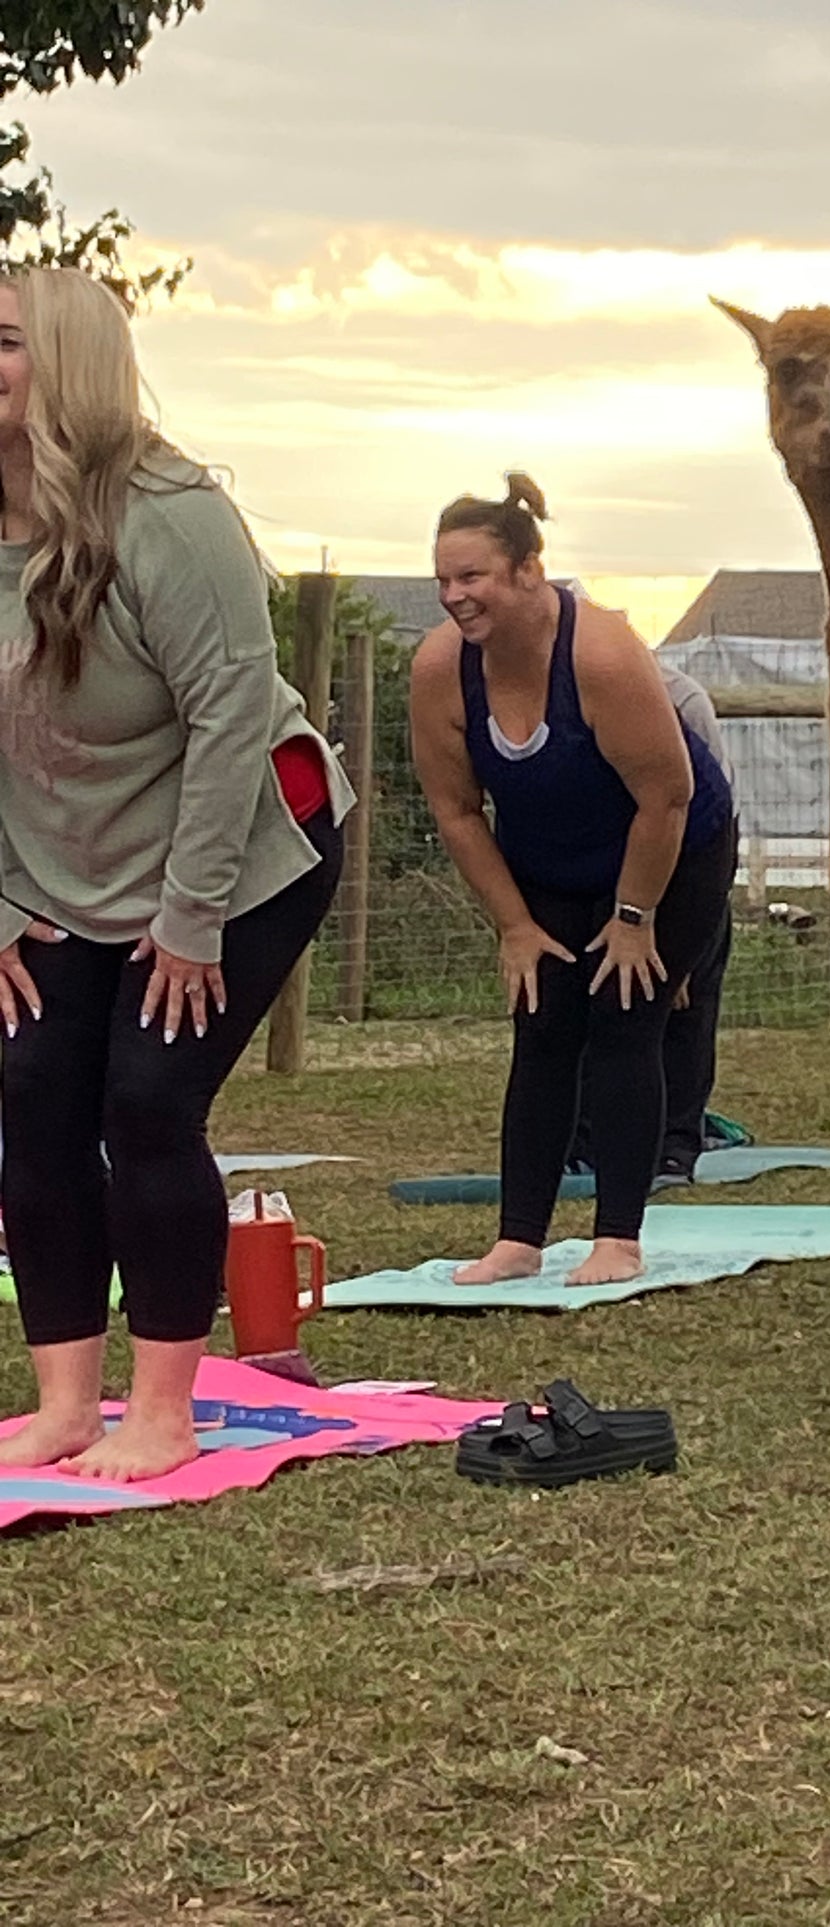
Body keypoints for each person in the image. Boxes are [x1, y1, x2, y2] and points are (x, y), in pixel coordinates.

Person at [0, 267, 353, 1481]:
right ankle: (64, 1404)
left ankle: (162, 1410)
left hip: (242, 848)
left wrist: (191, 917)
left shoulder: (173, 514)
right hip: (66, 861)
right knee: (33, 1089)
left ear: (71, 365)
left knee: (147, 1099)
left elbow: (230, 715)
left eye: (5, 342)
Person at [410, 475, 734, 1286]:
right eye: (443, 579)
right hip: (549, 859)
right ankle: (518, 1239)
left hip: (671, 848)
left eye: (472, 576)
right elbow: (456, 811)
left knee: (625, 1015)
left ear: (528, 570)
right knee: (542, 1020)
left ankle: (617, 1237)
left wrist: (633, 918)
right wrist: (515, 927)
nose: (453, 596)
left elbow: (665, 797)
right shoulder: (442, 667)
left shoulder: (599, 652)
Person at [567, 658, 738, 1185]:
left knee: (682, 1004)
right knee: (595, 994)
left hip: (692, 854)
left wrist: (678, 948)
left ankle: (676, 1145)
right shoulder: (550, 698)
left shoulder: (682, 700)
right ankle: (584, 1140)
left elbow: (709, 817)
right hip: (605, 859)